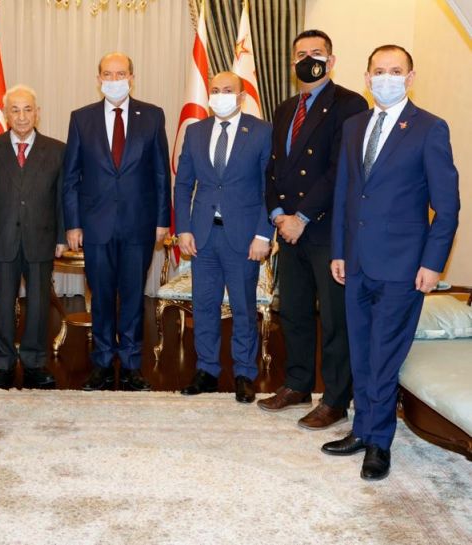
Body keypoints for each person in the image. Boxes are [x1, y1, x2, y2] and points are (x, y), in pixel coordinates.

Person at [323, 45, 459, 480]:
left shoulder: (430, 128)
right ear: (366, 78)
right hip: (356, 261)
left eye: (395, 70)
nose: (386, 78)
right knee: (361, 352)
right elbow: (346, 194)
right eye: (379, 71)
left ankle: (379, 442)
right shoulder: (354, 125)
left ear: (410, 77)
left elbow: (447, 207)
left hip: (404, 267)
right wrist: (339, 250)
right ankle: (362, 429)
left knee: (384, 355)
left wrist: (433, 263)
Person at [260, 30, 368, 429]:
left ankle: (336, 399)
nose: (309, 59)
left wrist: (301, 217)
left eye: (317, 53)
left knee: (335, 319)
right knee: (294, 312)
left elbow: (340, 169)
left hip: (326, 229)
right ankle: (298, 384)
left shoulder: (350, 104)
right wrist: (278, 214)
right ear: (293, 64)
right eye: (301, 54)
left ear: (331, 60)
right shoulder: (286, 108)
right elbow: (273, 167)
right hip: (289, 230)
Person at [63, 52, 171, 392]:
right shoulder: (81, 118)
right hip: (96, 226)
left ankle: (132, 364)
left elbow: (160, 172)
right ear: (98, 79)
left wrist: (162, 220)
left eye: (120, 73)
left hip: (140, 223)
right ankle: (102, 362)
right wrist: (73, 224)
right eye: (107, 74)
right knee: (101, 296)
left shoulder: (152, 116)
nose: (114, 80)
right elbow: (71, 177)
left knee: (134, 297)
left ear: (131, 77)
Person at [174, 72, 273, 403]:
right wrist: (183, 228)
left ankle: (244, 372)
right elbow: (183, 184)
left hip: (244, 237)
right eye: (215, 90)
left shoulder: (261, 132)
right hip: (202, 235)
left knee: (243, 307)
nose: (220, 95)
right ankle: (207, 369)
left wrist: (263, 233)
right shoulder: (196, 131)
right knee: (204, 305)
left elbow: (269, 188)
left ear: (241, 96)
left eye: (227, 90)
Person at [0, 85, 66, 390]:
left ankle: (34, 362)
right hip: (0, 238)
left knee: (39, 305)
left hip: (42, 239)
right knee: (2, 305)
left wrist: (61, 236)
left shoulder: (57, 150)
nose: (21, 116)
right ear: (6, 115)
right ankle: (2, 363)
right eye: (15, 110)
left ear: (37, 113)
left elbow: (62, 198)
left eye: (27, 109)